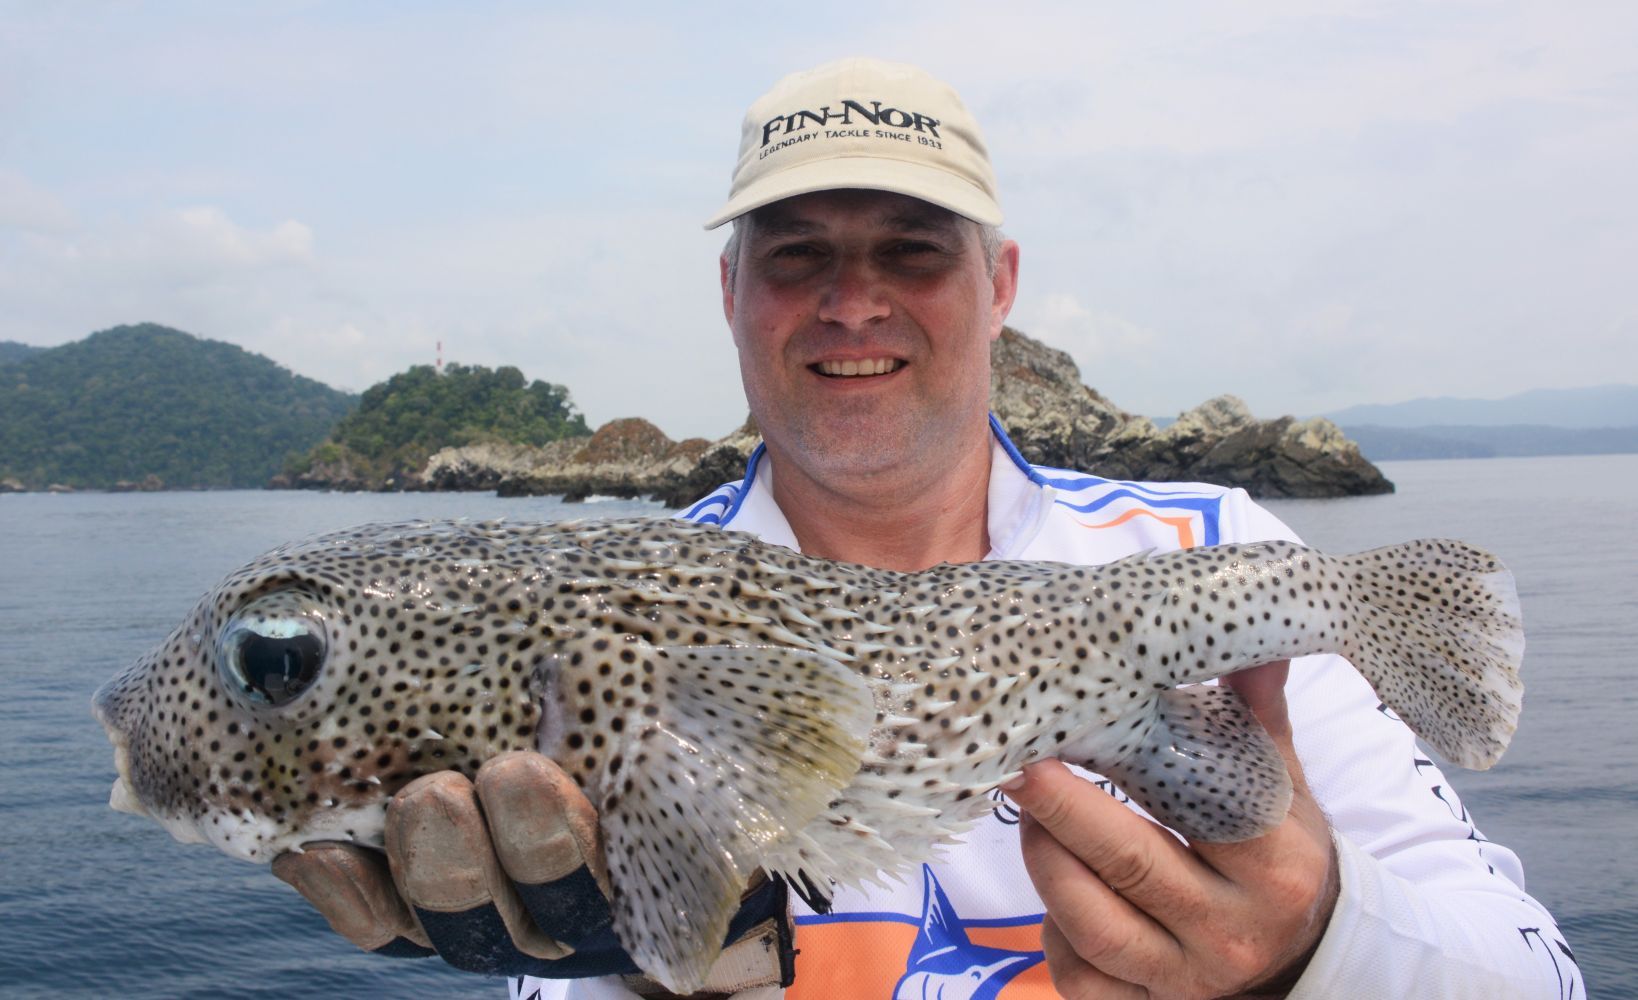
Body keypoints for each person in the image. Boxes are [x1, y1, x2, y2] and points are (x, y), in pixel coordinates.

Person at [275, 58, 1581, 998]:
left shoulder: (1213, 552)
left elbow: (1536, 973)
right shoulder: (593, 629)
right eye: (797, 254)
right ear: (730, 291)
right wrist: (624, 974)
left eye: (911, 250)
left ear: (997, 284)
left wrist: (1313, 946)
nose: (853, 302)